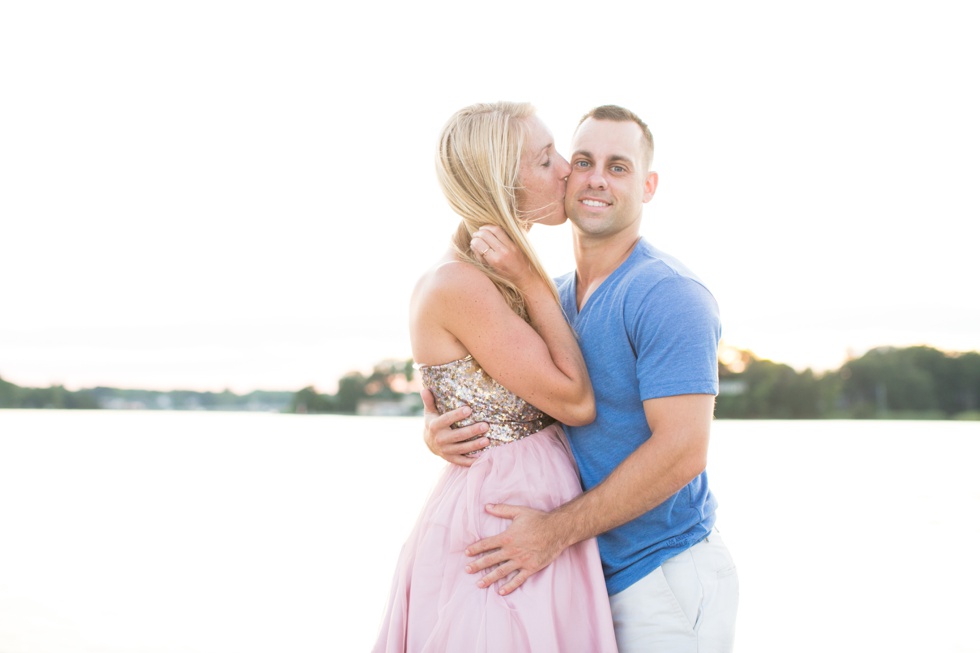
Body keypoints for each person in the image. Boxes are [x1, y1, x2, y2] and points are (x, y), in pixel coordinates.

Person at [424, 105, 739, 652]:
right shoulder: (554, 298)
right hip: (581, 577)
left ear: (649, 186)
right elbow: (508, 398)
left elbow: (684, 450)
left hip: (660, 573)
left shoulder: (669, 294)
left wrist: (553, 532)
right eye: (583, 160)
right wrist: (437, 424)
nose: (594, 177)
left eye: (619, 167)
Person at [371, 102, 618, 652]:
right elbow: (576, 403)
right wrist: (531, 279)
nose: (566, 168)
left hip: (528, 513)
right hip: (500, 524)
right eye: (544, 159)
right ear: (501, 183)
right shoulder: (460, 284)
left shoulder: (485, 277)